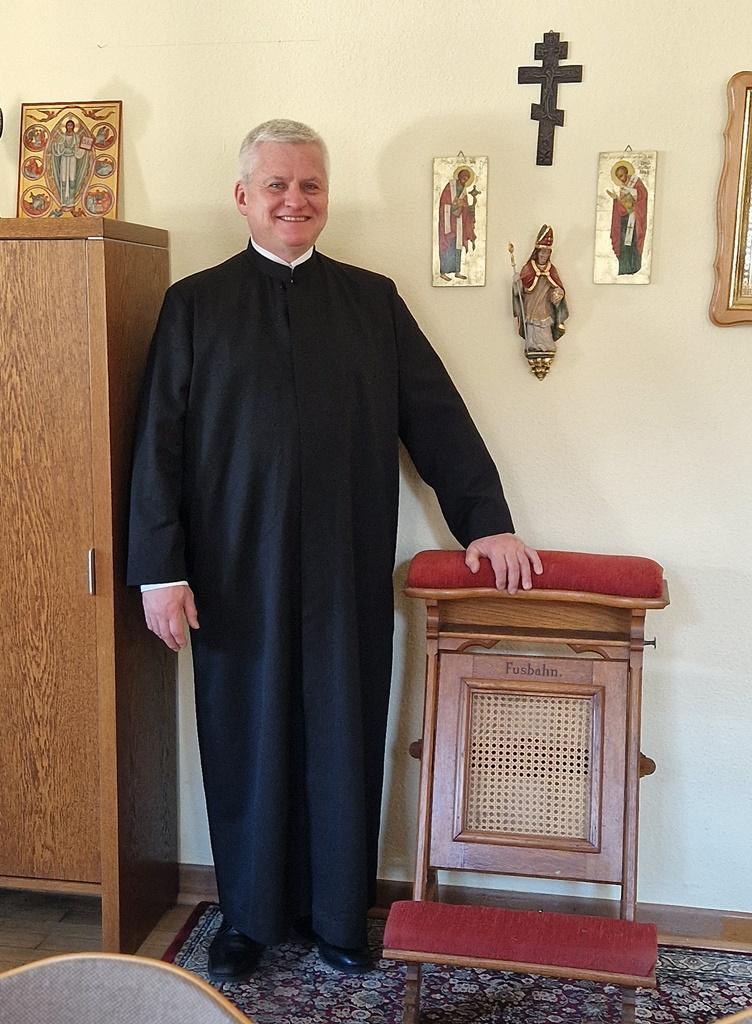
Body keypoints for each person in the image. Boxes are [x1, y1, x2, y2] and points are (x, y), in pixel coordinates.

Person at [128, 119, 541, 983]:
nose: (294, 200)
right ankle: (247, 919)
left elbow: (436, 416)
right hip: (232, 570)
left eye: (309, 184)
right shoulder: (195, 304)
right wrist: (159, 571)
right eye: (276, 185)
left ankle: (338, 918)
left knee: (341, 734)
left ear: (327, 195)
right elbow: (157, 444)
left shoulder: (371, 302)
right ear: (243, 197)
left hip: (343, 565)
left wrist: (486, 521)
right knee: (245, 737)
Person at [512, 224, 568, 353]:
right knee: (532, 326)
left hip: (545, 307)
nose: (544, 255)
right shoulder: (528, 268)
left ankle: (546, 346)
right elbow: (520, 292)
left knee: (544, 327)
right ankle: (531, 345)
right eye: (542, 252)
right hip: (530, 304)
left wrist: (558, 294)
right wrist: (517, 283)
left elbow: (558, 287)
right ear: (537, 252)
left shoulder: (551, 269)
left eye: (546, 253)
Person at [607, 160, 648, 276]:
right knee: (624, 245)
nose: (621, 179)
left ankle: (634, 267)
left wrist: (631, 197)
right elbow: (623, 208)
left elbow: (642, 197)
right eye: (619, 177)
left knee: (632, 243)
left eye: (622, 175)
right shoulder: (623, 188)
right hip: (625, 221)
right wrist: (616, 199)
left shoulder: (636, 182)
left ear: (626, 172)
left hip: (635, 220)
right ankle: (625, 268)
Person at [437, 165, 477, 280]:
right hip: (448, 221)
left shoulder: (464, 191)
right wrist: (455, 205)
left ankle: (457, 271)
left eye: (467, 178)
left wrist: (468, 208)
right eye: (464, 177)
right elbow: (443, 202)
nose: (465, 180)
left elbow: (465, 206)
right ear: (459, 176)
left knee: (457, 245)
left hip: (458, 222)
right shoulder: (450, 186)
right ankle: (443, 272)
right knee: (447, 245)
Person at [50, 119, 89, 208]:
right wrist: (58, 146)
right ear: (66, 126)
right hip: (64, 158)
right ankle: (63, 201)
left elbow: (80, 148)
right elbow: (57, 146)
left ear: (74, 127)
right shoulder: (62, 137)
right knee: (63, 179)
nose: (69, 127)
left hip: (72, 158)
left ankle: (71, 200)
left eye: (71, 125)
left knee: (72, 178)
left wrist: (84, 145)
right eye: (68, 125)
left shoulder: (76, 137)